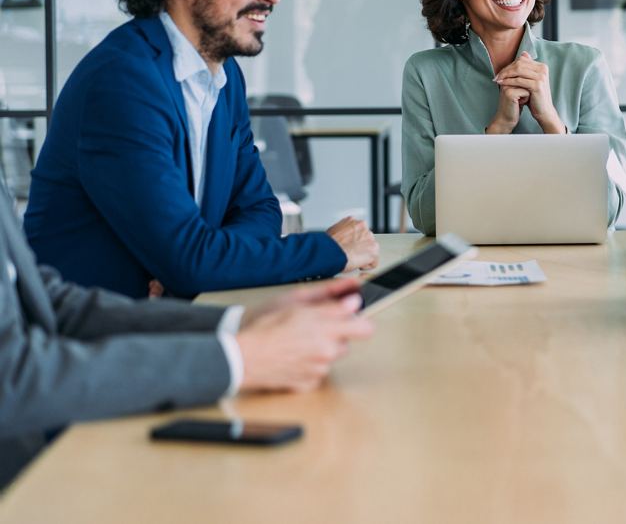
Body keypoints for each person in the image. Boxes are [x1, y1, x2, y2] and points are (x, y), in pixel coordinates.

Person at [23, 0, 378, 299]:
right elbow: (192, 262)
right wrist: (328, 251)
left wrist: (201, 264)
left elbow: (256, 208)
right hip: (89, 341)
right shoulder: (122, 81)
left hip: (173, 317)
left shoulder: (223, 77)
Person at [0, 173, 373, 488]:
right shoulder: (119, 87)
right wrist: (243, 359)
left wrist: (240, 324)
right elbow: (10, 378)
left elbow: (50, 304)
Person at [402, 0, 626, 235]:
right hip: (466, 270)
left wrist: (552, 122)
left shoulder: (585, 65)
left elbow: (607, 211)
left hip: (576, 270)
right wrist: (497, 129)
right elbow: (426, 218)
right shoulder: (425, 74)